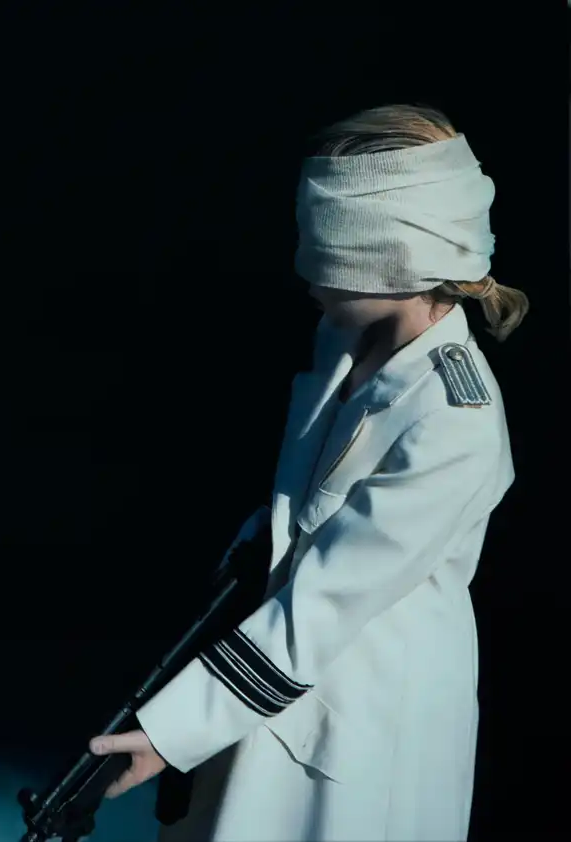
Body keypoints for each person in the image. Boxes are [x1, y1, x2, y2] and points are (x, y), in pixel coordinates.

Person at [88, 104, 528, 841]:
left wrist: (175, 732)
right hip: (273, 677)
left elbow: (326, 602)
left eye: (331, 247)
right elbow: (303, 517)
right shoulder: (344, 340)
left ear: (393, 254)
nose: (306, 269)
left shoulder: (455, 418)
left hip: (365, 716)